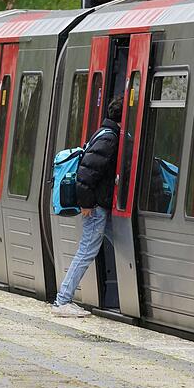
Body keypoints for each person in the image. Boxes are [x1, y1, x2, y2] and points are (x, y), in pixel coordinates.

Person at [51, 96, 122, 317]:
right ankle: (62, 301)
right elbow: (86, 173)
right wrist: (87, 204)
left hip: (99, 205)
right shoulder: (109, 138)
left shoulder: (104, 133)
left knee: (125, 241)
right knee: (86, 251)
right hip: (96, 207)